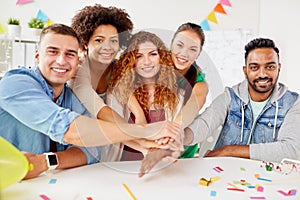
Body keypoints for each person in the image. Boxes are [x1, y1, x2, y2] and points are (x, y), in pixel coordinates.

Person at [0, 24, 179, 179]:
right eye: (53, 51)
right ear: (37, 55)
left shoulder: (70, 96)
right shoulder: (15, 83)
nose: (61, 61)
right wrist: (145, 131)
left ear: (78, 59)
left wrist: (146, 146)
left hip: (42, 184)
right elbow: (70, 129)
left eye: (70, 54)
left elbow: (90, 149)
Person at [186, 37, 300, 163]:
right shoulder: (230, 96)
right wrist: (179, 137)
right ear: (245, 71)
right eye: (254, 67)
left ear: (278, 68)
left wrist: (228, 151)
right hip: (223, 173)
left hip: (265, 178)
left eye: (270, 67)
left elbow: (291, 150)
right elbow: (204, 124)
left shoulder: (293, 102)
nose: (262, 74)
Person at [106, 31, 185, 161]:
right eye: (139, 56)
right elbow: (114, 131)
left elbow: (174, 134)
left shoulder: (178, 96)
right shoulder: (116, 95)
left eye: (153, 54)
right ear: (131, 62)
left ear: (162, 57)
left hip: (161, 165)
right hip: (122, 166)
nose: (146, 62)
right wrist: (145, 149)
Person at [169, 22, 208, 158]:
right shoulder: (154, 67)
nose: (184, 53)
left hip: (183, 154)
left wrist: (173, 132)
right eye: (180, 45)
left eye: (192, 49)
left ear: (198, 53)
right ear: (171, 44)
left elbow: (191, 108)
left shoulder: (199, 83)